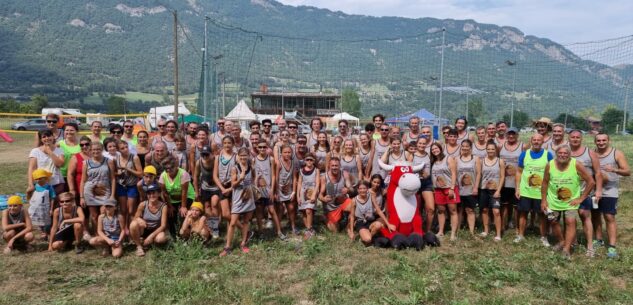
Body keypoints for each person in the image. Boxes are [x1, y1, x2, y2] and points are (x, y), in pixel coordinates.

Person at [541, 145, 595, 259]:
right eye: (560, 153)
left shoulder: (576, 164)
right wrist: (543, 200)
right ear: (556, 153)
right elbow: (545, 182)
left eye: (565, 153)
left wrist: (581, 198)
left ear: (569, 154)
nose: (562, 155)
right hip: (553, 201)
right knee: (553, 221)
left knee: (570, 221)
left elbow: (591, 182)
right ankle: (561, 241)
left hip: (571, 202)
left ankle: (566, 249)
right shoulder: (549, 164)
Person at [592, 133, 630, 258]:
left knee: (609, 217)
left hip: (610, 190)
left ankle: (612, 247)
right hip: (594, 190)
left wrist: (614, 170)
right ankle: (598, 240)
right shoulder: (592, 153)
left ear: (608, 140)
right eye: (598, 140)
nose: (601, 142)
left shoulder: (616, 153)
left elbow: (627, 171)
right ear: (595, 142)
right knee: (595, 215)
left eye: (604, 140)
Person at [514, 134, 553, 245]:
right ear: (531, 141)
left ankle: (543, 237)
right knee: (523, 214)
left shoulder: (548, 155)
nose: (536, 142)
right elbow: (519, 172)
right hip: (525, 191)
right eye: (534, 140)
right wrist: (517, 188)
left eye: (538, 140)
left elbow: (551, 173)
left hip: (541, 193)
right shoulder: (524, 154)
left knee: (542, 215)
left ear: (542, 141)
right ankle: (521, 235)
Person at [569, 129, 602, 257]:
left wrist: (598, 190)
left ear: (581, 138)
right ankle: (573, 241)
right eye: (573, 137)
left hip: (586, 191)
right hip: (569, 192)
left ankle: (589, 246)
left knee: (585, 215)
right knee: (570, 218)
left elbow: (598, 173)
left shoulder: (590, 153)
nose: (575, 139)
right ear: (569, 138)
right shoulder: (565, 152)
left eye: (578, 137)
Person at [220, 148, 256, 256]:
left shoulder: (251, 167)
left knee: (246, 221)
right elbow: (233, 185)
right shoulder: (235, 168)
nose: (243, 158)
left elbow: (253, 178)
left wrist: (252, 188)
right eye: (241, 156)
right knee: (232, 223)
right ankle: (227, 247)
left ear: (248, 156)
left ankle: (243, 243)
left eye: (245, 155)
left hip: (249, 197)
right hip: (237, 198)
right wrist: (240, 179)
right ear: (238, 156)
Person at [80, 141, 117, 231]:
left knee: (104, 213)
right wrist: (82, 197)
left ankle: (106, 234)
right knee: (94, 215)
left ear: (102, 150)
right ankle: (97, 234)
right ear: (90, 150)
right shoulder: (86, 163)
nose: (95, 151)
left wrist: (112, 195)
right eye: (93, 150)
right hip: (90, 191)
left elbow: (113, 179)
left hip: (105, 191)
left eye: (98, 149)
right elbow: (83, 180)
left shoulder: (109, 161)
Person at [253, 140, 285, 239]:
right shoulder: (254, 160)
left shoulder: (270, 159)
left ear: (267, 148)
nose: (262, 149)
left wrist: (272, 189)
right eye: (260, 147)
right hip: (258, 190)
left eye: (264, 147)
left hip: (268, 189)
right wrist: (255, 188)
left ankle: (279, 231)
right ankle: (261, 231)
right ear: (257, 148)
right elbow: (254, 176)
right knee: (259, 211)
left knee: (271, 210)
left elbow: (274, 175)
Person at [430, 142, 460, 241]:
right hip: (438, 189)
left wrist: (452, 188)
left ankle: (453, 234)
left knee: (453, 211)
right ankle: (441, 231)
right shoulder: (433, 161)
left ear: (440, 148)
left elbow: (454, 173)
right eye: (433, 149)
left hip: (449, 188)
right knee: (441, 210)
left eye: (436, 148)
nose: (435, 150)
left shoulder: (449, 158)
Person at [159, 155, 195, 235]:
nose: (168, 170)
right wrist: (169, 206)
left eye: (171, 167)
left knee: (183, 214)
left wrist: (183, 206)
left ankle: (186, 234)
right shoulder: (163, 176)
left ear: (175, 166)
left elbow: (184, 191)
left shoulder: (183, 174)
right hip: (172, 198)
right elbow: (164, 193)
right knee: (170, 214)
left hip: (187, 196)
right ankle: (174, 236)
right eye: (166, 168)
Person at [130, 183, 169, 257]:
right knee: (133, 224)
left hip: (156, 230)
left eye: (153, 193)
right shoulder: (143, 204)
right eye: (149, 193)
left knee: (161, 239)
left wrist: (151, 236)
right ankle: (139, 246)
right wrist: (139, 219)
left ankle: (149, 242)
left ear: (158, 193)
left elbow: (163, 225)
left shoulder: (163, 206)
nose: (151, 195)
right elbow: (135, 217)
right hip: (144, 229)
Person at [349, 180, 392, 245]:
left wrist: (388, 224)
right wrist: (352, 232)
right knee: (368, 240)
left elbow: (379, 210)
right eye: (360, 189)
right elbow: (352, 217)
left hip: (371, 221)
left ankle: (369, 236)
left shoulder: (371, 196)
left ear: (367, 189)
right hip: (361, 222)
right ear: (358, 190)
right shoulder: (354, 200)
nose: (362, 190)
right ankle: (367, 237)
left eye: (364, 188)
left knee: (379, 225)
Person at [28, 130, 65, 205]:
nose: (47, 138)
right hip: (41, 184)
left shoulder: (59, 150)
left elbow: (59, 164)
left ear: (53, 137)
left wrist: (50, 152)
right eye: (44, 137)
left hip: (56, 183)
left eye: (48, 136)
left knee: (54, 205)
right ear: (41, 139)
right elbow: (32, 168)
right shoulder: (35, 151)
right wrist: (31, 184)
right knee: (41, 205)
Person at [498, 127, 524, 230]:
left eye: (513, 134)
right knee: (504, 205)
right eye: (509, 134)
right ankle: (504, 224)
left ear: (517, 135)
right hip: (504, 182)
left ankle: (517, 226)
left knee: (516, 206)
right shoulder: (500, 146)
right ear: (506, 135)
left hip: (517, 182)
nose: (511, 136)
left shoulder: (522, 146)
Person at [193, 145, 221, 239]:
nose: (205, 156)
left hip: (216, 187)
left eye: (207, 154)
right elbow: (195, 177)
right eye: (203, 154)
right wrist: (196, 191)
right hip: (205, 187)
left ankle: (216, 228)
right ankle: (211, 228)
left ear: (211, 154)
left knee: (214, 204)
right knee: (207, 207)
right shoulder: (199, 162)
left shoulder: (216, 160)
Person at [479, 141, 505, 240]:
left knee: (496, 211)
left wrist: (498, 190)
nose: (490, 151)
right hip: (484, 189)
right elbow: (479, 175)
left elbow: (502, 177)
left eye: (492, 149)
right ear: (486, 150)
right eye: (488, 149)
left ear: (496, 150)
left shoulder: (500, 161)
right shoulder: (482, 161)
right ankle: (486, 230)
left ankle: (498, 234)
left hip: (495, 190)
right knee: (484, 210)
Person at [319, 157, 353, 233]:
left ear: (339, 166)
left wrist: (348, 190)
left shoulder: (345, 174)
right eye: (333, 165)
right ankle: (325, 218)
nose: (334, 167)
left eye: (336, 165)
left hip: (342, 202)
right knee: (335, 231)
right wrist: (324, 199)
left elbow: (351, 189)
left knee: (353, 206)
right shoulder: (324, 177)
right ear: (329, 166)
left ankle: (349, 227)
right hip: (331, 208)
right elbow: (319, 195)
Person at [115, 140, 142, 230]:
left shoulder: (134, 158)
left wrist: (127, 168)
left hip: (132, 185)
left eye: (126, 147)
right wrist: (117, 173)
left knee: (131, 210)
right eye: (122, 148)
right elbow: (113, 173)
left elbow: (140, 174)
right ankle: (124, 230)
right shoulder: (116, 158)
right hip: (121, 185)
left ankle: (132, 230)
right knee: (123, 210)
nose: (126, 149)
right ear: (118, 150)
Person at [213, 136, 237, 226]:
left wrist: (230, 188)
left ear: (233, 144)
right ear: (222, 144)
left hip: (233, 186)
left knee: (232, 211)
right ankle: (243, 229)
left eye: (229, 143)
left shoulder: (236, 157)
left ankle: (230, 234)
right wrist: (222, 188)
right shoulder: (218, 157)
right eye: (225, 143)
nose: (227, 145)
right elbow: (215, 175)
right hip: (222, 186)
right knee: (225, 214)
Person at [456, 139, 479, 235]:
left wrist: (476, 187)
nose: (465, 148)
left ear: (470, 148)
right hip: (460, 189)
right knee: (459, 210)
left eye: (467, 146)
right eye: (463, 146)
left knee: (470, 210)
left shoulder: (475, 158)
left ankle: (471, 231)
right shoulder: (456, 159)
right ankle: (457, 229)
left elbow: (478, 174)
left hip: (471, 190)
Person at [412, 137, 434, 233]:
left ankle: (428, 230)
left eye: (424, 143)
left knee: (431, 208)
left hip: (427, 183)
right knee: (417, 209)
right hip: (414, 183)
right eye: (420, 143)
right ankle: (417, 229)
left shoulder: (429, 155)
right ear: (417, 144)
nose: (422, 145)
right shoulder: (411, 155)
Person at [276, 144, 299, 234]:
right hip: (280, 189)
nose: (287, 154)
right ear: (281, 153)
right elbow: (276, 178)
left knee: (291, 207)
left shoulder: (293, 163)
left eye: (289, 152)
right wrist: (277, 191)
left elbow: (294, 177)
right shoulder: (278, 163)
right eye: (285, 152)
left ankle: (293, 226)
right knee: (280, 209)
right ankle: (279, 228)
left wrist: (293, 191)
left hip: (289, 189)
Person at [297, 153, 320, 240]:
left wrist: (314, 194)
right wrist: (298, 196)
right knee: (303, 211)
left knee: (309, 210)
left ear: (314, 161)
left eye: (311, 160)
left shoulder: (316, 170)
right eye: (307, 160)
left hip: (311, 191)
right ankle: (310, 229)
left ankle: (308, 229)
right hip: (303, 192)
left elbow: (317, 183)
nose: (309, 161)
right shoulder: (301, 170)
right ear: (305, 160)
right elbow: (299, 183)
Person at [27, 169, 56, 239]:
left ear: (45, 178)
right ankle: (42, 231)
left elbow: (52, 198)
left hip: (46, 207)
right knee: (38, 219)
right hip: (36, 207)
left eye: (40, 178)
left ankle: (47, 232)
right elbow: (29, 197)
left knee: (46, 220)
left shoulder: (49, 187)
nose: (38, 180)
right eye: (36, 179)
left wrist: (51, 209)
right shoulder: (34, 187)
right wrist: (28, 192)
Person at [59, 123, 81, 189]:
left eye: (71, 130)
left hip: (77, 175)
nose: (69, 132)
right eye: (67, 130)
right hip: (63, 175)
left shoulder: (82, 144)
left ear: (77, 131)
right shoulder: (59, 144)